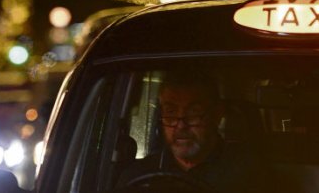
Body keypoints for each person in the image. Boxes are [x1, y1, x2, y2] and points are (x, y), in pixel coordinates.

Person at [117, 70, 272, 192]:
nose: (181, 125)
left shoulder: (251, 175)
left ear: (217, 115)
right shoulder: (137, 177)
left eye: (193, 112)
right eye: (171, 112)